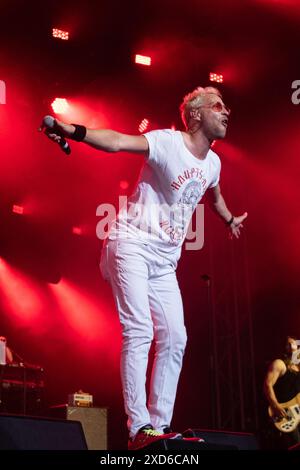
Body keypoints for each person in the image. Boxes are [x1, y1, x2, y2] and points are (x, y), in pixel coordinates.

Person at [40, 86, 247, 450]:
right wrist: (72, 130)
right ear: (196, 115)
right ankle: (139, 427)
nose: (226, 111)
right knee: (140, 330)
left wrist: (228, 218)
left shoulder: (213, 163)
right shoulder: (167, 143)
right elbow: (118, 141)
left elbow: (213, 193)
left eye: (226, 106)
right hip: (131, 243)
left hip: (165, 261)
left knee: (176, 337)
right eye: (218, 106)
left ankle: (159, 425)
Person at [263, 336, 300, 448]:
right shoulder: (279, 364)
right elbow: (267, 384)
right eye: (289, 344)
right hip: (286, 414)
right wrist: (275, 405)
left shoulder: (298, 368)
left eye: (295, 344)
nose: (293, 347)